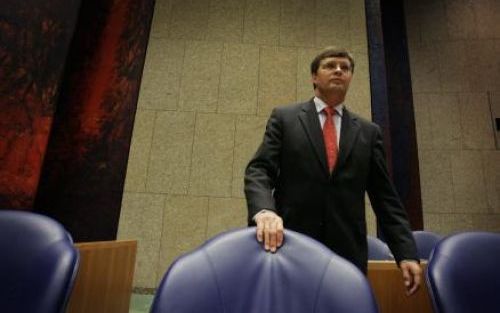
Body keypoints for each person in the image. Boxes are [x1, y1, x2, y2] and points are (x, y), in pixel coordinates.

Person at [244, 47, 421, 295]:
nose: (339, 70)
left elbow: (386, 199)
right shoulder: (285, 118)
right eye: (330, 65)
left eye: (345, 68)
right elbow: (259, 170)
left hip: (346, 255)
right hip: (289, 246)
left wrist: (406, 253)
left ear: (349, 78)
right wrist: (264, 211)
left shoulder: (369, 133)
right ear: (314, 77)